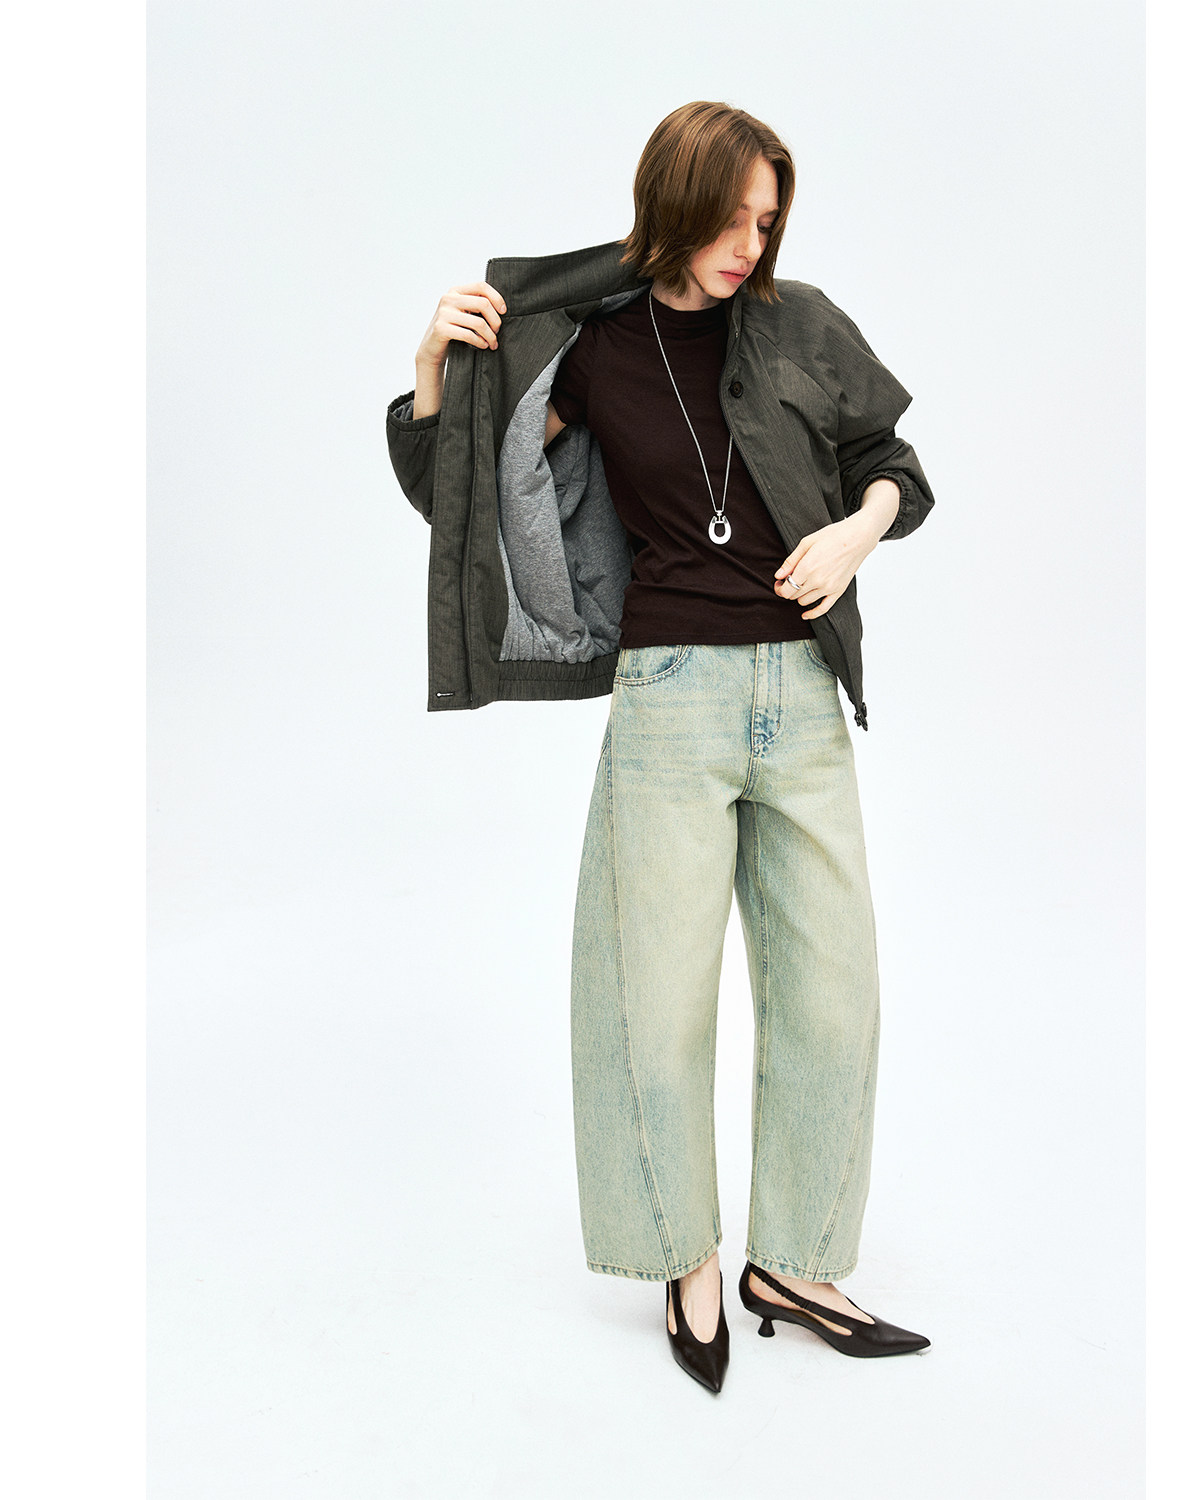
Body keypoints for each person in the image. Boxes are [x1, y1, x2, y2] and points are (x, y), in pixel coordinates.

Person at [391, 101, 933, 1394]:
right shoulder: (587, 347)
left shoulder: (801, 323)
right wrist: (432, 374)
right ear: (671, 204)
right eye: (729, 216)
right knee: (656, 998)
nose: (750, 242)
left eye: (767, 218)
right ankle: (683, 1257)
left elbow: (895, 463)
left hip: (803, 692)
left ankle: (795, 1265)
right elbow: (462, 497)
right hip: (670, 696)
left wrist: (857, 531)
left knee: (835, 997)